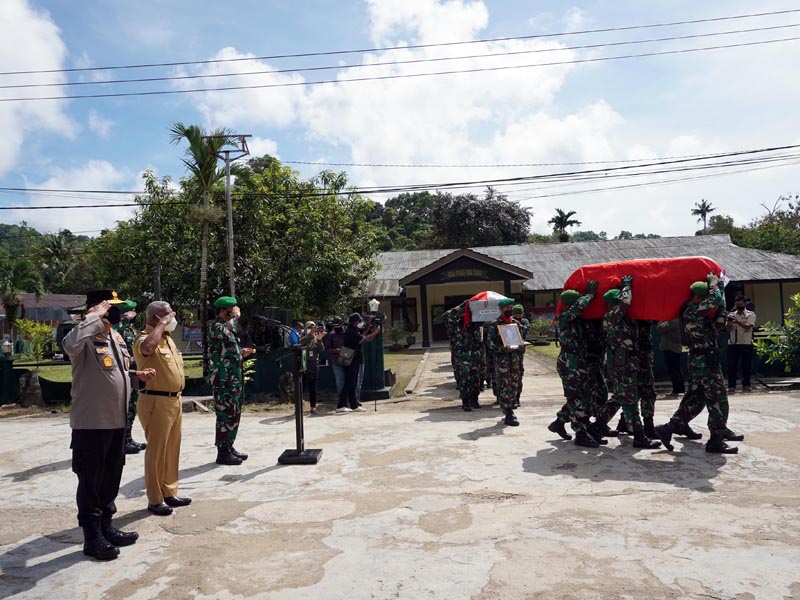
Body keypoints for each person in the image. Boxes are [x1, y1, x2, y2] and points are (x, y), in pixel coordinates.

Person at [62, 289, 155, 561]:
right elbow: (68, 345)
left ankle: (106, 526)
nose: (116, 311)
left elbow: (116, 370)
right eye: (111, 307)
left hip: (116, 421)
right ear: (98, 308)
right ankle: (92, 537)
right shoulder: (84, 334)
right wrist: (92, 318)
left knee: (111, 476)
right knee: (91, 480)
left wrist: (136, 375)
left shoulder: (113, 335)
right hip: (91, 422)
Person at [655, 275, 743, 454]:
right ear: (698, 297)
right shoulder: (692, 311)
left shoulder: (696, 312)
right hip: (704, 362)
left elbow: (717, 323)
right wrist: (714, 283)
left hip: (701, 360)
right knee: (719, 400)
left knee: (697, 399)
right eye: (703, 298)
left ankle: (670, 427)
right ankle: (716, 441)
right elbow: (715, 298)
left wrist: (721, 308)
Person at [133, 301, 191, 516]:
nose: (172, 319)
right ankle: (155, 499)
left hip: (174, 401)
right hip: (155, 400)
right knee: (157, 451)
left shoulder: (166, 339)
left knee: (172, 448)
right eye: (168, 315)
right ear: (156, 318)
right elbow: (147, 349)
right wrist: (161, 325)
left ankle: (169, 492)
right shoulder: (145, 338)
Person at [598, 277, 661, 449]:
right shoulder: (611, 316)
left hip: (629, 363)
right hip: (621, 365)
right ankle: (639, 436)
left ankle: (597, 426)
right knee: (629, 400)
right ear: (613, 304)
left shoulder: (624, 319)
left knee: (623, 398)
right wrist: (626, 286)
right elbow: (625, 302)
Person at [548, 283, 598, 446]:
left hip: (579, 361)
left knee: (584, 396)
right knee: (577, 397)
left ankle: (559, 422)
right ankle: (580, 433)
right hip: (569, 362)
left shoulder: (577, 320)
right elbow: (578, 307)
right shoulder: (564, 316)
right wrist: (589, 295)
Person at [209, 296, 255, 465]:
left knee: (235, 414)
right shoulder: (216, 326)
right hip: (223, 380)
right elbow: (225, 333)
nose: (235, 313)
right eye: (232, 311)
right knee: (225, 415)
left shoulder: (228, 328)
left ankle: (229, 446)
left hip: (234, 378)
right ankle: (222, 452)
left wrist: (240, 353)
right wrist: (235, 317)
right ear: (223, 311)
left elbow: (226, 350)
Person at [113, 300, 147, 455]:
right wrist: (123, 320)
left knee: (132, 406)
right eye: (131, 312)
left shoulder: (130, 330)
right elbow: (114, 335)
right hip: (122, 372)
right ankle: (121, 442)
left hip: (133, 370)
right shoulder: (117, 327)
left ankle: (128, 438)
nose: (134, 314)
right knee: (124, 407)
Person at [485, 298, 524, 427]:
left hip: (515, 359)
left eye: (510, 307)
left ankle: (510, 404)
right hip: (502, 360)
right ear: (501, 310)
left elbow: (520, 339)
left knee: (514, 383)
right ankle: (508, 412)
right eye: (507, 308)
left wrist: (521, 345)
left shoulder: (515, 324)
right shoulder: (494, 325)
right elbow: (490, 343)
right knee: (504, 384)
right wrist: (502, 348)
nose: (509, 310)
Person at [337, 313, 381, 413]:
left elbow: (364, 332)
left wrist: (369, 322)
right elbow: (366, 338)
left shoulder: (354, 330)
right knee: (349, 383)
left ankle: (354, 405)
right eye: (359, 321)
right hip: (350, 360)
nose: (360, 323)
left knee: (352, 383)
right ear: (355, 322)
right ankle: (341, 405)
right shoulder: (351, 332)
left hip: (354, 359)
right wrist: (375, 332)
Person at [443, 302, 482, 411]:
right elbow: (445, 316)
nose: (465, 317)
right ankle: (466, 402)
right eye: (463, 314)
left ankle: (475, 400)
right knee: (465, 379)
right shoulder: (454, 326)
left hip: (475, 356)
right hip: (461, 357)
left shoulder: (474, 326)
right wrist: (461, 306)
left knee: (476, 379)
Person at [726, 294, 756, 393]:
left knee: (746, 366)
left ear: (744, 304)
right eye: (737, 304)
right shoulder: (731, 314)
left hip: (746, 343)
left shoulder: (750, 314)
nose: (739, 306)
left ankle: (746, 385)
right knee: (731, 366)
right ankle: (731, 386)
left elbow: (748, 326)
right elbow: (727, 329)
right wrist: (729, 322)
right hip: (733, 343)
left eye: (741, 304)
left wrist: (737, 322)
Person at [300, 321, 326, 414]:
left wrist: (319, 339)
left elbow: (321, 349)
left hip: (313, 364)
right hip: (303, 364)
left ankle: (313, 407)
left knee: (313, 387)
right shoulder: (303, 336)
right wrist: (310, 334)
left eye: (313, 327)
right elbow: (300, 342)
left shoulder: (316, 338)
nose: (312, 329)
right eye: (310, 327)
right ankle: (299, 407)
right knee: (301, 387)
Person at [657, 318, 685, 398]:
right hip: (673, 348)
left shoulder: (672, 321)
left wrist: (661, 320)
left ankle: (677, 389)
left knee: (674, 370)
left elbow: (660, 328)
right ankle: (679, 388)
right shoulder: (677, 320)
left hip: (671, 348)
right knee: (676, 369)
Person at [511, 304, 530, 409]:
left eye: (520, 314)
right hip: (508, 352)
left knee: (518, 375)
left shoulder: (524, 322)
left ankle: (517, 397)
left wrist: (517, 324)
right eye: (516, 314)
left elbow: (526, 330)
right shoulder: (508, 321)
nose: (518, 316)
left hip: (519, 352)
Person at [325, 317, 346, 396]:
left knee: (349, 380)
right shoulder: (332, 334)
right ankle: (341, 398)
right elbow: (327, 349)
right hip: (336, 360)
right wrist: (336, 350)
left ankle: (349, 398)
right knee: (340, 380)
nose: (337, 328)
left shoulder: (347, 332)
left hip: (348, 359)